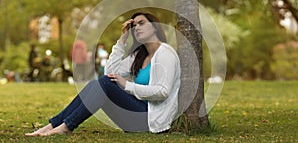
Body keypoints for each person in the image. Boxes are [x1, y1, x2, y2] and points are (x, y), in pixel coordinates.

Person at [25, 12, 181, 136]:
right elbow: (110, 73)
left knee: (104, 83)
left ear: (154, 27)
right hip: (135, 115)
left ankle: (67, 126)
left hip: (150, 120)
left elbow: (163, 91)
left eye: (142, 23)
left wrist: (127, 85)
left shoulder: (165, 53)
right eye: (134, 26)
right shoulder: (139, 55)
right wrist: (122, 40)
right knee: (98, 83)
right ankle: (53, 125)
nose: (137, 28)